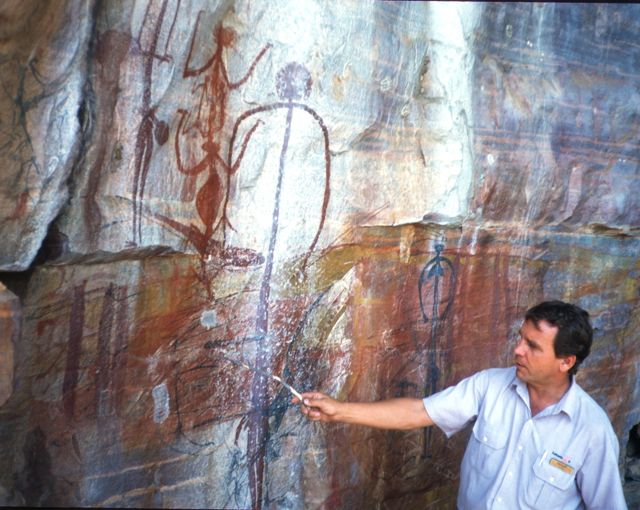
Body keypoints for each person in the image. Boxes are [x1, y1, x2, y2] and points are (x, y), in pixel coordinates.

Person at [296, 300, 628, 509]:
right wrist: (339, 410)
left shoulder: (591, 431)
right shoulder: (490, 385)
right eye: (520, 338)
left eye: (532, 345)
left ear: (566, 361)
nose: (517, 350)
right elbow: (418, 412)